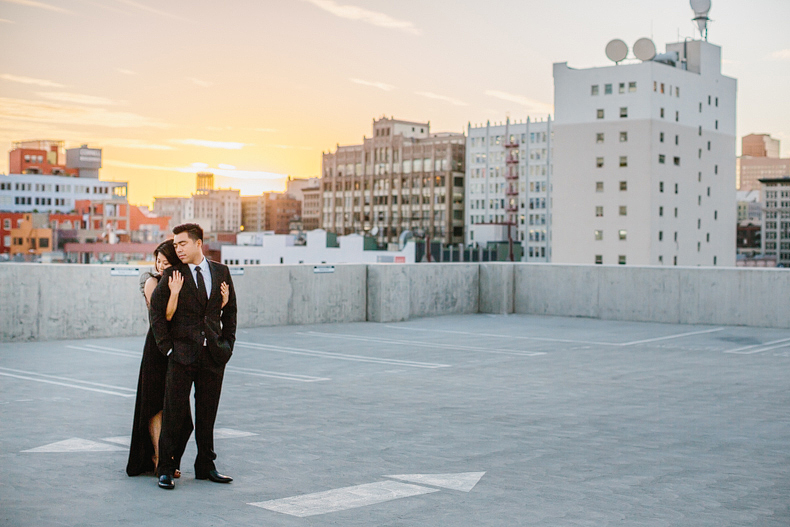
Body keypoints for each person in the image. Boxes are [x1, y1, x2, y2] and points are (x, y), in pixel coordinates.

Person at [150, 223, 237, 490]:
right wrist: (168, 348)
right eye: (175, 245)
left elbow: (230, 311)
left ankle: (205, 466)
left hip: (212, 355)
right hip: (181, 355)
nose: (178, 249)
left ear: (198, 243)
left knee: (207, 413)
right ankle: (165, 467)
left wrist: (227, 345)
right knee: (174, 413)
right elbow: (156, 312)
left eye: (182, 244)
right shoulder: (174, 273)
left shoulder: (221, 271)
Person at [126, 241, 190, 477]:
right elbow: (164, 316)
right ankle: (158, 457)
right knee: (156, 405)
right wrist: (174, 293)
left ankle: (170, 456)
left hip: (179, 348)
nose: (160, 266)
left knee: (178, 409)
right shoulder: (151, 281)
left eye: (166, 262)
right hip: (156, 347)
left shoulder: (183, 281)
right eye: (158, 261)